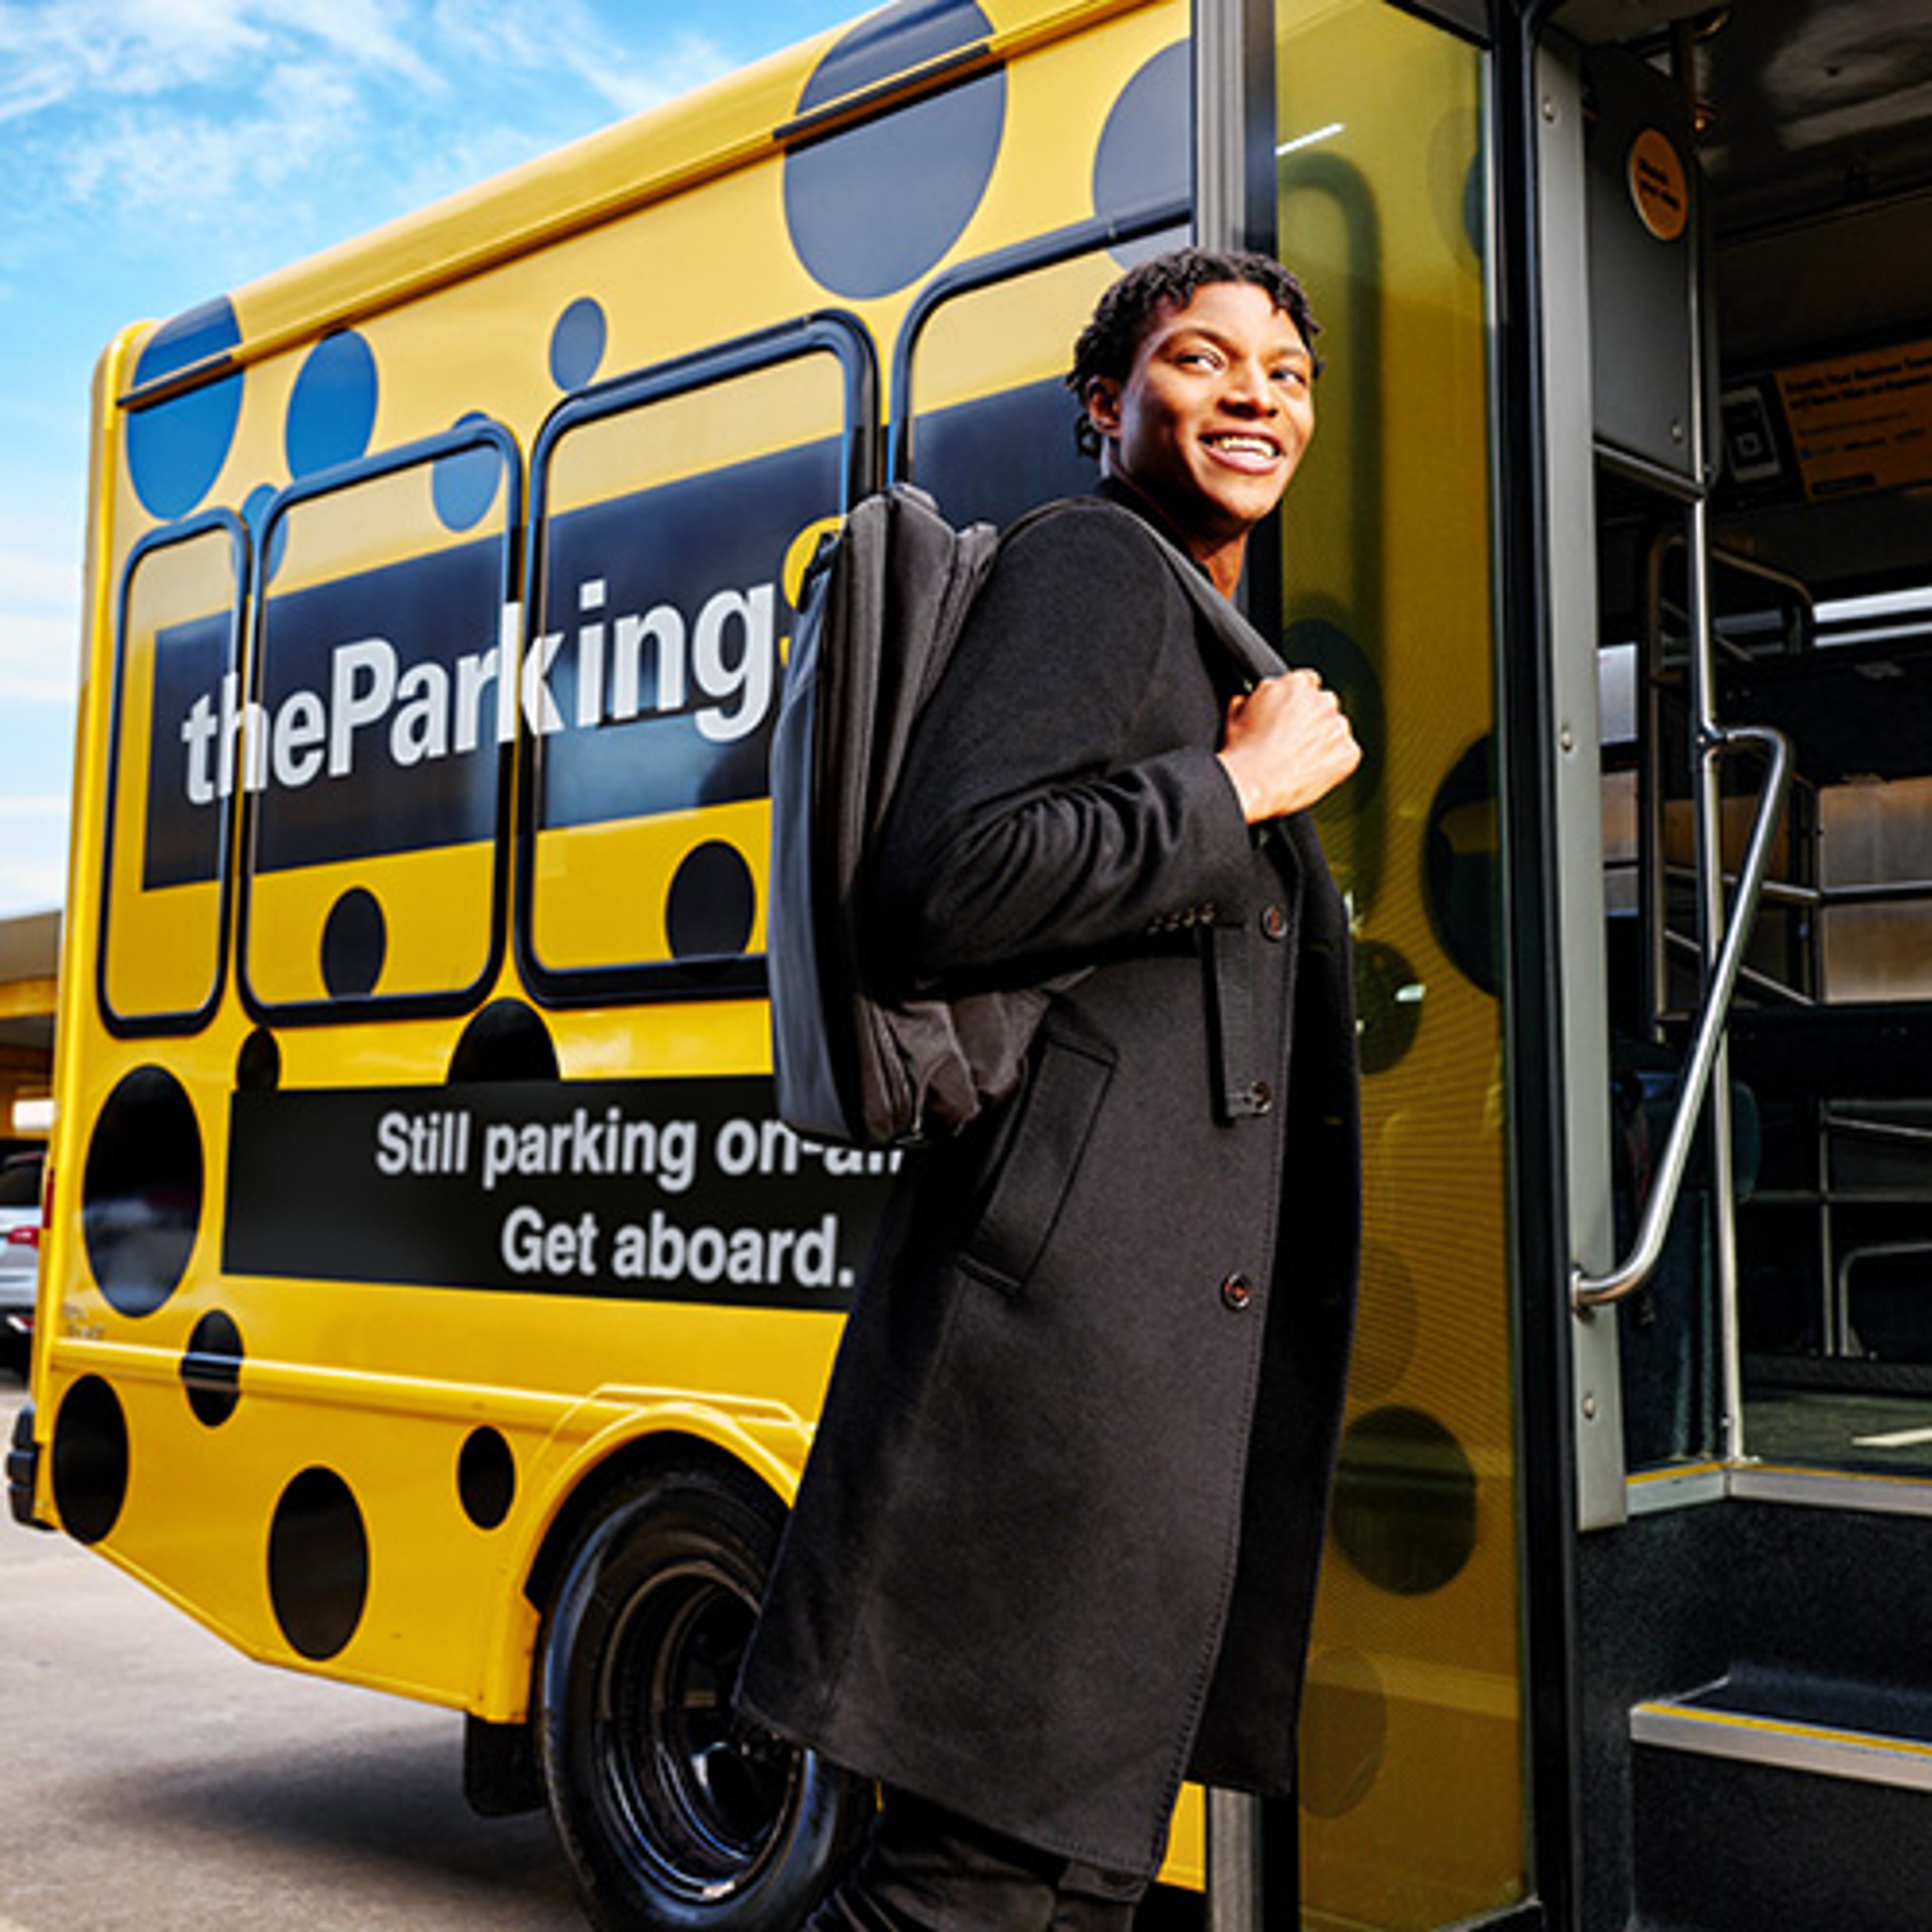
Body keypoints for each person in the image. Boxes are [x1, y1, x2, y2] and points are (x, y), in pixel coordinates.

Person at [738, 248, 1363, 1930]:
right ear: (1107, 407)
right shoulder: (1097, 566)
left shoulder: (1201, 621)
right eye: (1203, 359)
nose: (1256, 393)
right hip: (1045, 1388)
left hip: (1123, 1381)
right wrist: (1232, 789)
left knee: (1055, 1891)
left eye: (1287, 373)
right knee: (973, 1897)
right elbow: (943, 883)